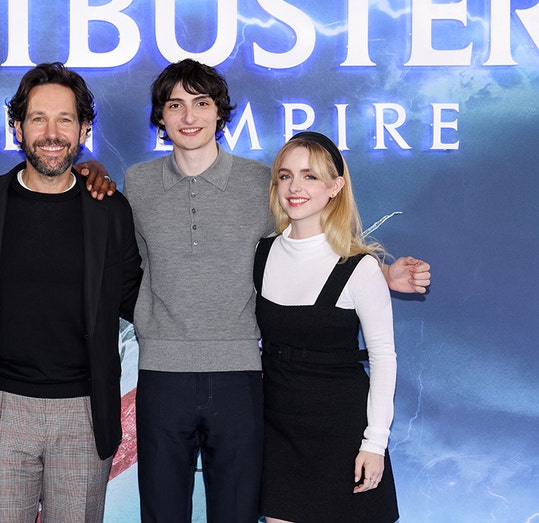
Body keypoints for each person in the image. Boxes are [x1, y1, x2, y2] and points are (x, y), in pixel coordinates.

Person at [122, 59, 429, 522]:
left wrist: (377, 275)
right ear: (160, 117)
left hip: (243, 378)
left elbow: (313, 244)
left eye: (201, 103)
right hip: (164, 373)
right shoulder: (136, 183)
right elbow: (127, 264)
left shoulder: (258, 182)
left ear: (219, 113)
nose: (189, 116)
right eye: (175, 105)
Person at [0, 62, 143, 522]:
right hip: (0, 410)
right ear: (17, 128)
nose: (52, 133)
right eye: (38, 118)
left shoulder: (110, 209)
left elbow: (135, 298)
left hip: (84, 411)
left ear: (84, 129)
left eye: (65, 119)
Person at [254, 131, 400, 522]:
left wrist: (375, 443)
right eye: (285, 176)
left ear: (335, 186)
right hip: (279, 432)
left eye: (310, 176)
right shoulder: (262, 253)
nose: (295, 187)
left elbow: (384, 359)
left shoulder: (361, 267)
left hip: (343, 435)